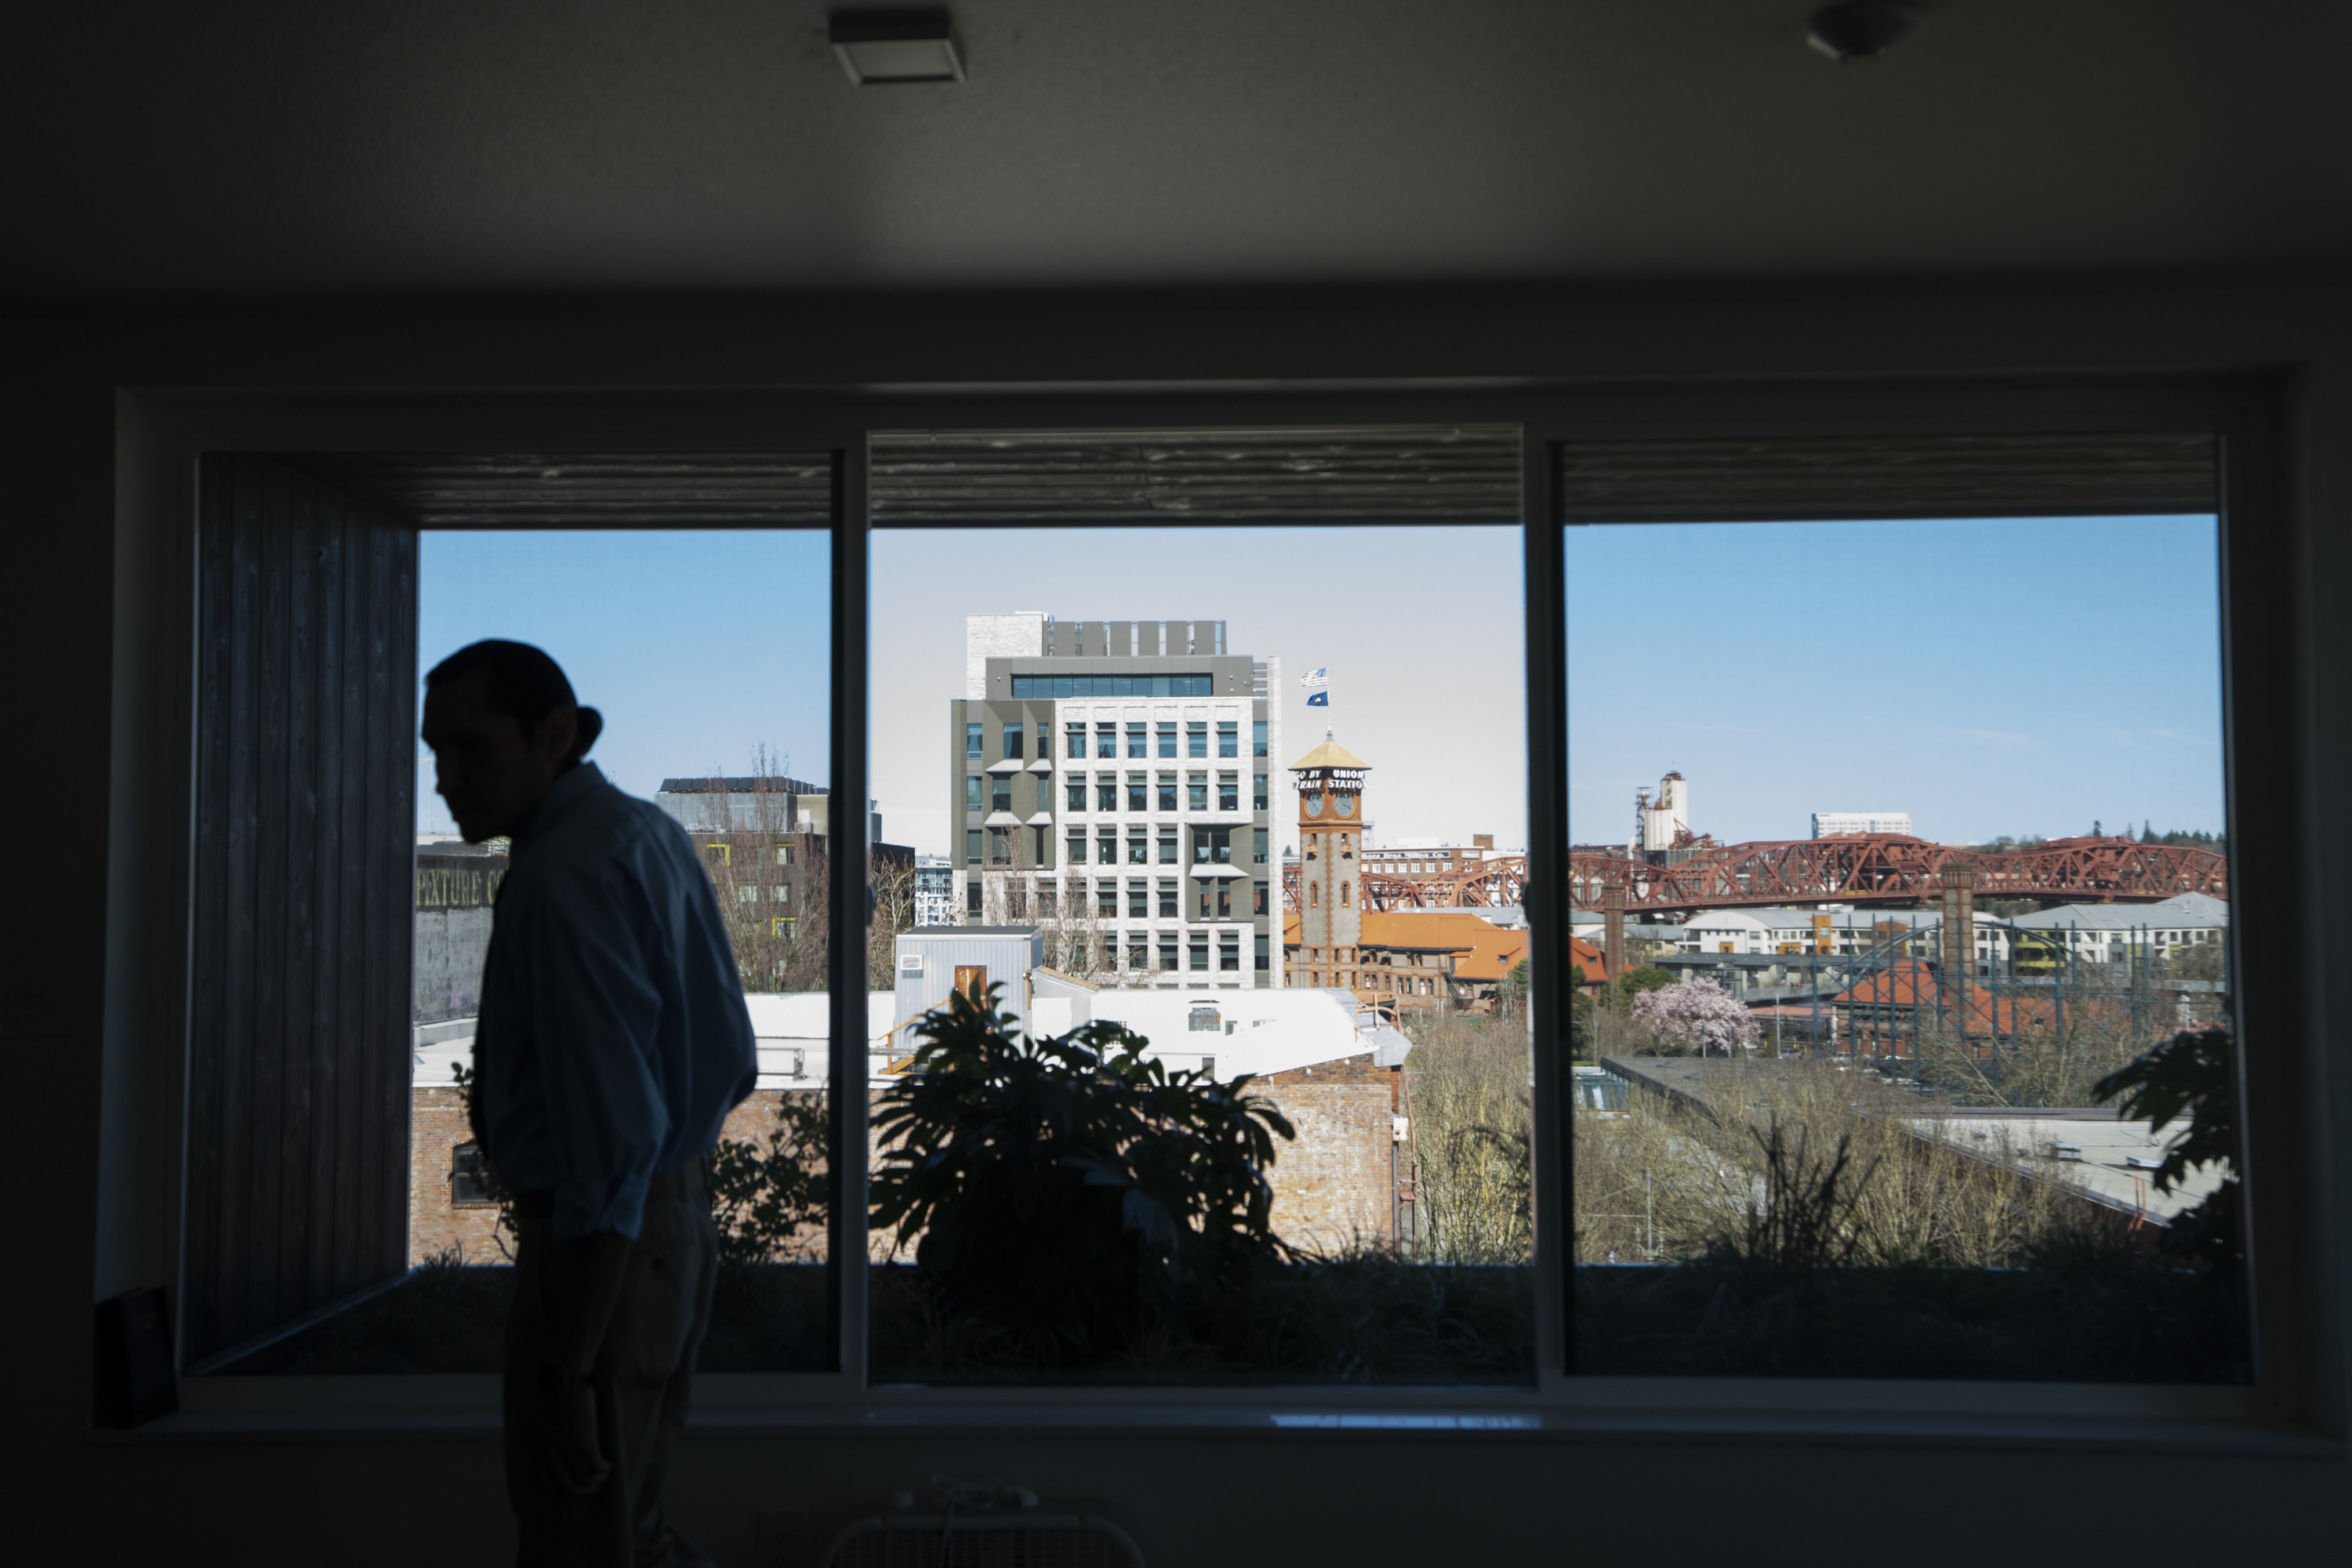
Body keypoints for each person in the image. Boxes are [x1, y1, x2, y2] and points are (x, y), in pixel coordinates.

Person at [420, 640, 756, 1568]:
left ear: (553, 734)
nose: (446, 778)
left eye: (472, 746)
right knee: (627, 1528)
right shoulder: (647, 833)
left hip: (597, 1248)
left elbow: (612, 1144)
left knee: (581, 1542)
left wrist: (568, 1362)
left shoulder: (562, 877)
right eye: (434, 751)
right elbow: (730, 1061)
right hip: (665, 1230)